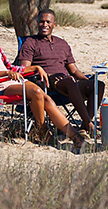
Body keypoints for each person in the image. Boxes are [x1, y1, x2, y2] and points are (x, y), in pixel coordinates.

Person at [0, 9, 86, 152]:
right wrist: (7, 73)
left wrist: (35, 68)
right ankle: (43, 131)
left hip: (12, 81)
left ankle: (76, 139)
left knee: (47, 99)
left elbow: (10, 66)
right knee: (37, 91)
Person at [18, 9, 103, 138]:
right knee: (70, 81)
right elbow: (24, 68)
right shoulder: (30, 42)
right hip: (48, 83)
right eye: (41, 22)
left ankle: (84, 128)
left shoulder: (62, 44)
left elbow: (73, 70)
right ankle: (89, 123)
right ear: (37, 23)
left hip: (68, 83)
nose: (44, 25)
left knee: (98, 85)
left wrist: (87, 80)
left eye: (48, 22)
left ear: (54, 24)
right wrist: (39, 70)